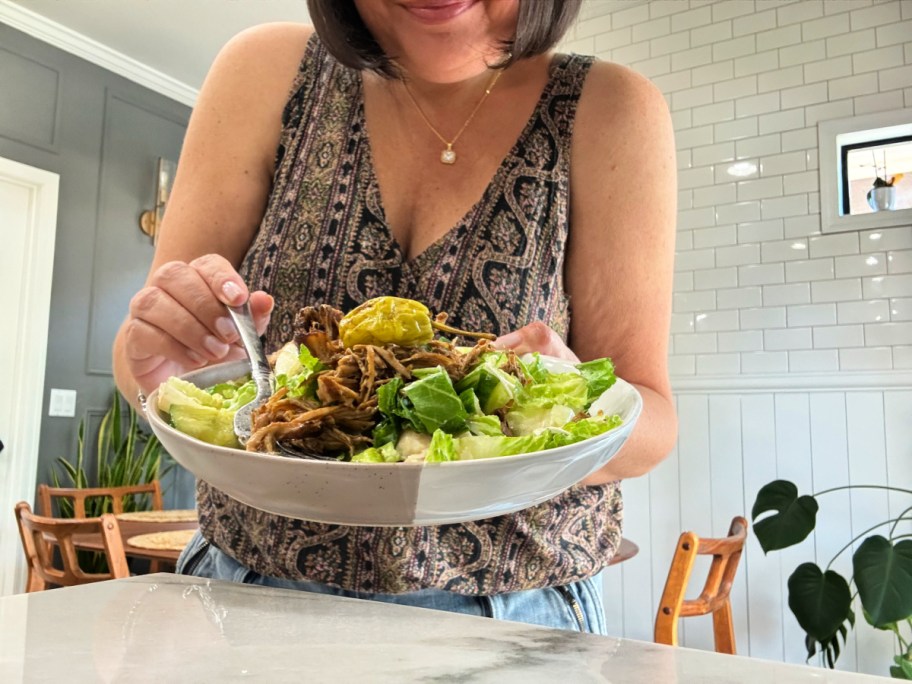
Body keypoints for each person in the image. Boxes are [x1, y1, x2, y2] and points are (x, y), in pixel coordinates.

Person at [113, 0, 678, 634]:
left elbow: (653, 419)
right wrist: (162, 363)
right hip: (243, 593)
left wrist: (576, 411)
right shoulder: (264, 70)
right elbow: (153, 364)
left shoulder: (611, 109)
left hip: (516, 614)